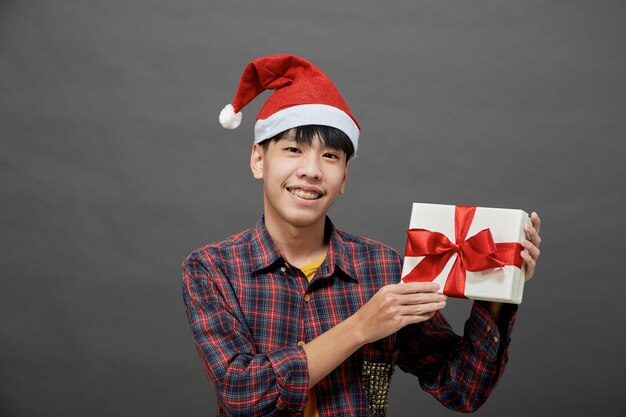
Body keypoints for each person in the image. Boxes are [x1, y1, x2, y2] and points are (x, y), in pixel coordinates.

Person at [182, 54, 542, 417]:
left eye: (330, 156)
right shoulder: (212, 269)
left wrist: (500, 284)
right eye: (293, 149)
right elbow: (241, 394)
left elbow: (462, 388)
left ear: (344, 178)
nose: (311, 171)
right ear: (259, 160)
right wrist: (361, 327)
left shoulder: (382, 267)